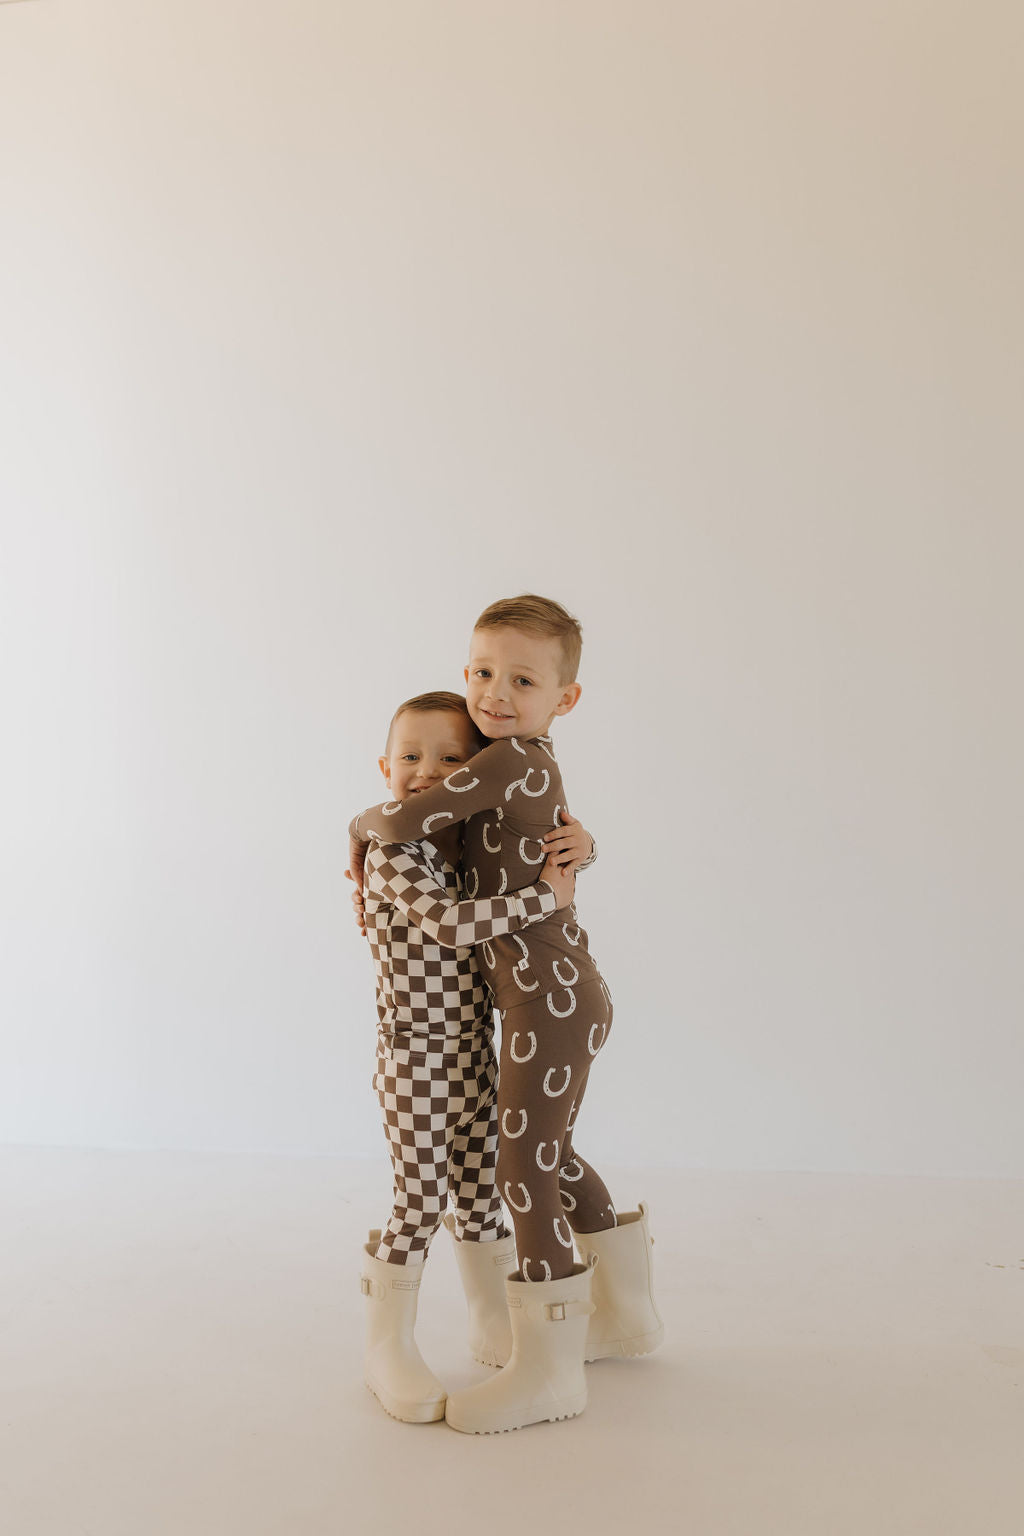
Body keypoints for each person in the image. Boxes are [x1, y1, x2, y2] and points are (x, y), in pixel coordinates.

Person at [349, 596, 663, 1435]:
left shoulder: (508, 763)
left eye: (521, 678)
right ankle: (618, 1316)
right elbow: (458, 831)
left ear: (565, 698)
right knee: (526, 1163)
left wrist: (363, 818)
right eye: (483, 672)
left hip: (545, 999)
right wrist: (571, 858)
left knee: (521, 1169)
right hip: (460, 1037)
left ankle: (551, 1364)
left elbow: (409, 816)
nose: (495, 690)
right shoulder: (474, 799)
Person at [353, 689, 580, 1424]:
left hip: (478, 1051)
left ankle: (493, 1320)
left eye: (451, 759)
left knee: (480, 1198)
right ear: (384, 766)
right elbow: (453, 926)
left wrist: (583, 842)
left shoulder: (465, 841)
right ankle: (386, 1345)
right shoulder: (392, 852)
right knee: (419, 1201)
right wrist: (546, 898)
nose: (428, 772)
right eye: (410, 757)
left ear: (475, 773)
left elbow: (538, 836)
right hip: (416, 1060)